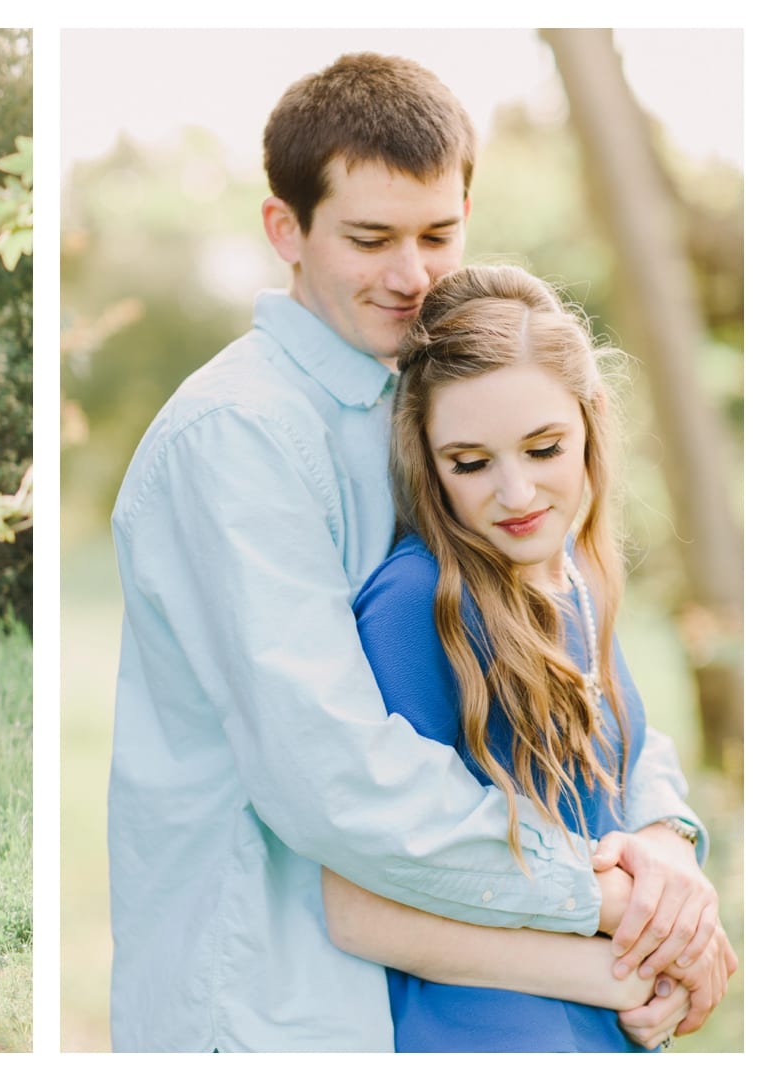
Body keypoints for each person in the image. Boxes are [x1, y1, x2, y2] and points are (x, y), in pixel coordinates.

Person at [108, 51, 725, 1052]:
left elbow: (568, 655)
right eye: (370, 238)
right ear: (285, 232)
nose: (411, 274)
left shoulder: (446, 408)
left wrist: (663, 843)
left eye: (438, 233)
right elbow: (336, 779)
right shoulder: (238, 438)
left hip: (443, 987)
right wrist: (612, 900)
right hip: (267, 1000)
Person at [318, 264, 737, 1051]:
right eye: (470, 463)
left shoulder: (573, 575)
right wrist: (616, 971)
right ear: (427, 460)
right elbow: (357, 899)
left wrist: (676, 884)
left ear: (592, 420)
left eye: (544, 448)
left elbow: (627, 772)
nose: (515, 494)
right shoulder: (419, 603)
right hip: (492, 1035)